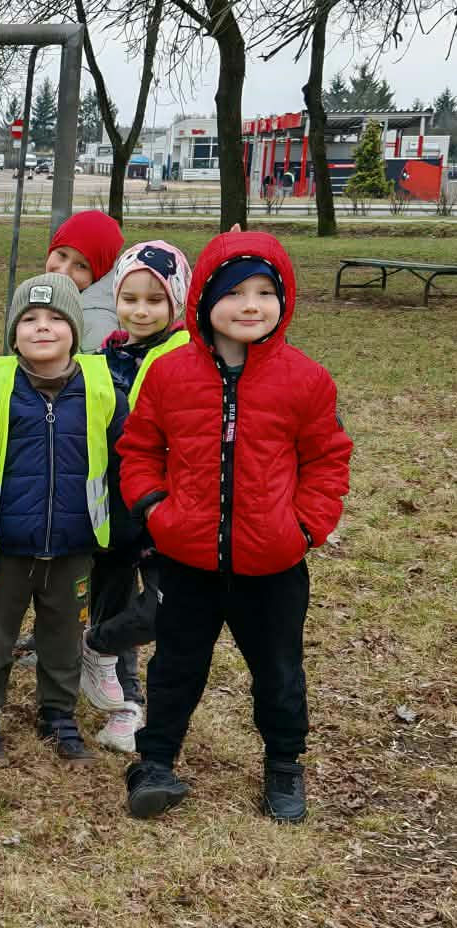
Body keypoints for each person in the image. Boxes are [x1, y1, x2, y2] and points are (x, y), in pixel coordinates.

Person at [120, 229, 352, 823]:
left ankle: (283, 766)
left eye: (264, 292)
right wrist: (154, 509)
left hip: (272, 565)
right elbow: (140, 448)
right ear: (202, 300)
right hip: (187, 559)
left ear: (283, 299)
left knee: (277, 671)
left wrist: (304, 527)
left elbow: (327, 459)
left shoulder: (305, 380)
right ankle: (156, 762)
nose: (251, 305)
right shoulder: (171, 375)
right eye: (234, 292)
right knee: (174, 666)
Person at [0, 273, 125, 767]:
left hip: (75, 545)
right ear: (13, 334)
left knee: (64, 637)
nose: (42, 328)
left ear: (76, 329)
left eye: (56, 318)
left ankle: (57, 714)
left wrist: (122, 531)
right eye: (29, 319)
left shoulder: (104, 392)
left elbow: (125, 463)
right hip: (9, 546)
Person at [82, 241, 192, 753]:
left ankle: (93, 648)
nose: (141, 310)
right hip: (110, 511)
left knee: (161, 609)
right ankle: (125, 709)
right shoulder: (104, 356)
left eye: (154, 300)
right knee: (112, 602)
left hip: (163, 510)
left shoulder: (187, 358)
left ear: (176, 302)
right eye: (130, 298)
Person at [42, 209, 124, 351]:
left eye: (81, 266)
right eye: (62, 254)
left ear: (100, 274)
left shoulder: (97, 324)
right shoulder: (57, 298)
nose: (63, 271)